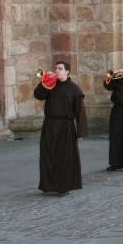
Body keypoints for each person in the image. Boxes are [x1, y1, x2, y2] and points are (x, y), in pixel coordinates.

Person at [34, 61, 88, 197]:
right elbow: (38, 95)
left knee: (65, 157)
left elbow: (80, 112)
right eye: (56, 68)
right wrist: (45, 82)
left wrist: (81, 132)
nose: (57, 71)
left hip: (66, 126)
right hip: (50, 125)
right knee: (48, 155)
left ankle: (64, 187)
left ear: (67, 71)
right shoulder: (50, 85)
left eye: (60, 68)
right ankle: (49, 185)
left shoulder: (74, 89)